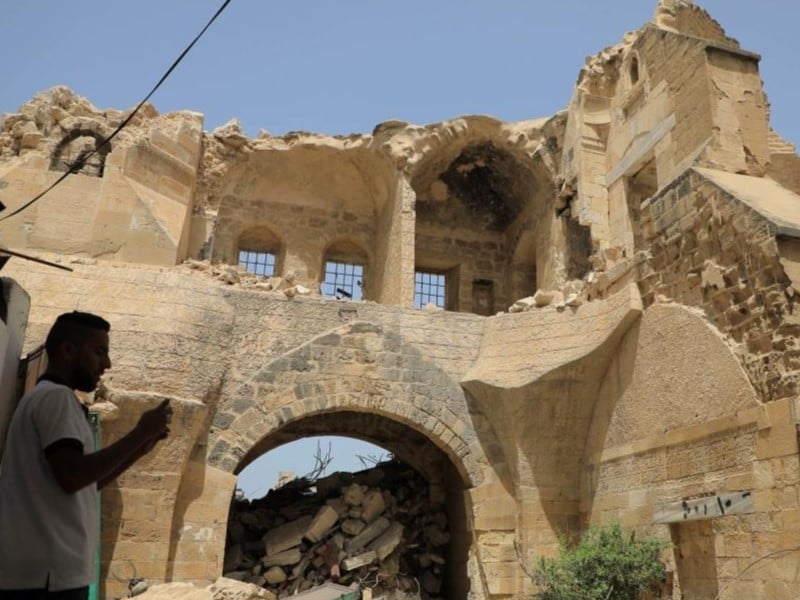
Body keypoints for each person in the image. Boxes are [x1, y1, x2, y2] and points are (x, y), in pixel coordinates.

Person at [0, 311, 171, 600]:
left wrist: (138, 450)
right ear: (68, 350)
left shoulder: (51, 398)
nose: (107, 364)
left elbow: (83, 486)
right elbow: (72, 476)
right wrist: (139, 433)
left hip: (48, 574)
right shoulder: (56, 399)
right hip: (48, 576)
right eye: (99, 352)